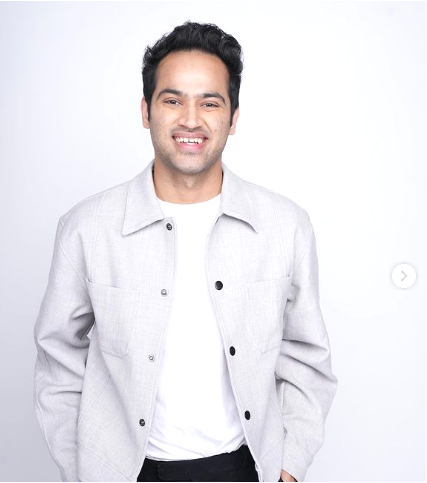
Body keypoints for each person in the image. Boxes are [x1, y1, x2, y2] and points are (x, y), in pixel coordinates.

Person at [33, 21, 338, 482]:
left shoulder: (285, 226)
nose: (190, 120)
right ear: (146, 111)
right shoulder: (86, 228)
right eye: (172, 100)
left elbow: (306, 357)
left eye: (209, 103)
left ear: (233, 118)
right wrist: (82, 470)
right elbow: (58, 358)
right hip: (122, 472)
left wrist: (289, 467)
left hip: (244, 467)